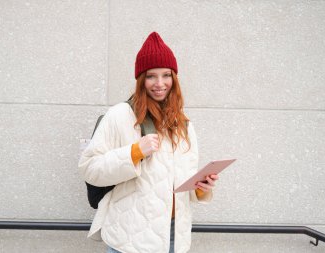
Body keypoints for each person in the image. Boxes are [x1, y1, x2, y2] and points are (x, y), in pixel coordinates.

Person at [78, 31, 219, 253]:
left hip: (174, 238)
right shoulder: (120, 115)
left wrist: (201, 189)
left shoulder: (183, 125)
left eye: (166, 75)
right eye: (151, 76)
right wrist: (133, 152)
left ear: (175, 78)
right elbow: (90, 169)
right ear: (141, 80)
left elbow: (180, 183)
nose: (160, 83)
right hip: (130, 240)